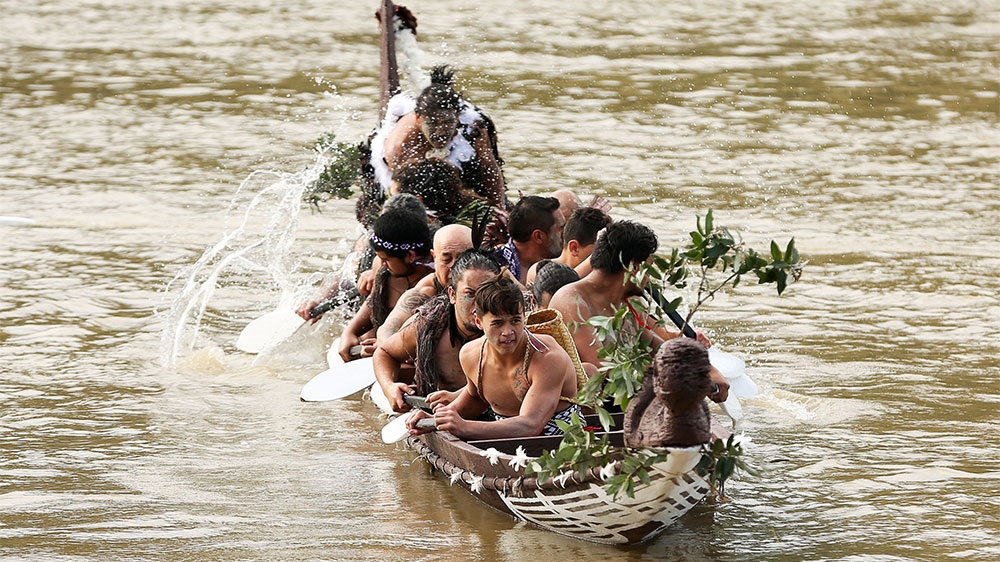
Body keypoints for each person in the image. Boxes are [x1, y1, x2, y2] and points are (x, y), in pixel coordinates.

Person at [548, 220, 727, 402]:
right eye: (648, 268)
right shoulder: (572, 301)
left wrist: (706, 369)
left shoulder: (627, 304)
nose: (648, 278)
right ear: (634, 268)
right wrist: (689, 379)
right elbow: (606, 371)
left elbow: (659, 348)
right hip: (593, 409)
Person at [408, 273, 580, 439]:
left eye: (515, 321)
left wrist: (464, 427)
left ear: (524, 316)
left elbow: (530, 425)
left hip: (560, 442)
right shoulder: (471, 355)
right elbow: (475, 398)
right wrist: (434, 420)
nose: (507, 332)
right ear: (478, 322)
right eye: (497, 323)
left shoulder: (547, 357)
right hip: (500, 436)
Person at [357, 65, 506, 227]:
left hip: (456, 177)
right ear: (419, 119)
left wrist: (498, 209)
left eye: (448, 123)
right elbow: (403, 192)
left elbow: (489, 169)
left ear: (457, 117)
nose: (441, 132)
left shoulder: (474, 127)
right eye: (433, 124)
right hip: (404, 188)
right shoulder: (401, 146)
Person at [374, 249, 501, 412]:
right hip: (436, 415)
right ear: (452, 295)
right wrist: (389, 387)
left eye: (487, 292)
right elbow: (385, 352)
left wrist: (457, 398)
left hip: (493, 420)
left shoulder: (510, 331)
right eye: (469, 294)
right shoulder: (428, 325)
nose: (479, 303)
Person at [338, 206, 434, 361]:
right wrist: (350, 332)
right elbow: (374, 301)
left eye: (386, 259)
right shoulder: (381, 266)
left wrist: (387, 346)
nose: (382, 264)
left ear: (410, 256)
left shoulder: (435, 279)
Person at [375, 223, 473, 342]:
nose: (454, 266)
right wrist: (391, 351)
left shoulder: (490, 283)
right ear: (434, 257)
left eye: (463, 259)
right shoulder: (426, 290)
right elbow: (387, 329)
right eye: (446, 260)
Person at [524, 206, 611, 285]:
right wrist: (596, 256)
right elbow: (557, 291)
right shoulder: (539, 270)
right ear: (574, 248)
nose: (604, 257)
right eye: (600, 250)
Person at [492, 195, 565, 284]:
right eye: (562, 227)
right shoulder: (494, 268)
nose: (567, 232)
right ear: (538, 236)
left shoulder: (566, 260)